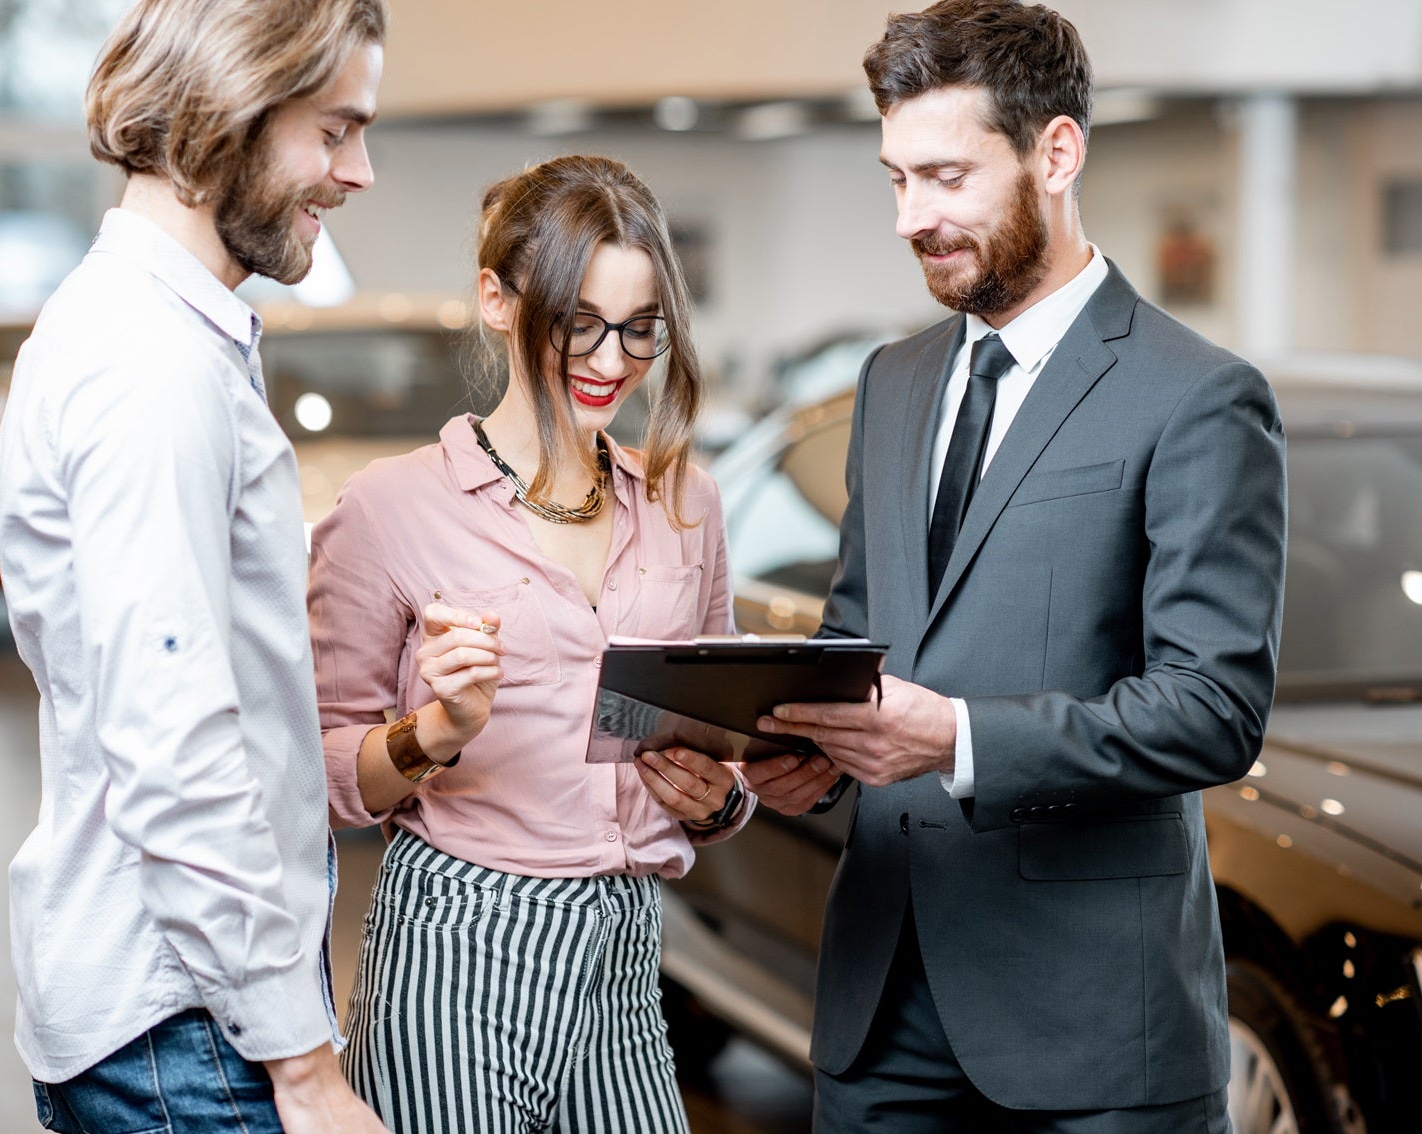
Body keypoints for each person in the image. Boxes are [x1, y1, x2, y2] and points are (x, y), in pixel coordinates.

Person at [742, 2, 1287, 1131]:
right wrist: (811, 750)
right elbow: (862, 635)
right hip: (878, 1007)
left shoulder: (1196, 395)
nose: (909, 217)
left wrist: (957, 740)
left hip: (1093, 1040)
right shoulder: (888, 384)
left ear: (1055, 153)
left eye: (943, 177)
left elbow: (1211, 709)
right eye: (894, 179)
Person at [0, 2, 391, 1130]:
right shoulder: (149, 367)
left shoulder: (156, 332)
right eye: (334, 130)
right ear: (232, 111)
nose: (358, 172)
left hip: (178, 1014)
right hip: (191, 1033)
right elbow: (172, 743)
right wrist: (304, 1066)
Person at [307, 153, 750, 1133]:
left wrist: (721, 802)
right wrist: (430, 732)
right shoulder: (388, 509)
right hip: (458, 954)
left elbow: (722, 727)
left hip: (629, 962)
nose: (610, 361)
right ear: (499, 304)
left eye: (641, 329)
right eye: (578, 323)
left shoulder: (687, 505)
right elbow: (322, 773)